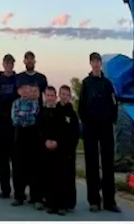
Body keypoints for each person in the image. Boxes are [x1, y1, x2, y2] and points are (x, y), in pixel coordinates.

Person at [78, 52, 120, 214]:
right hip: (90, 128)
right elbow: (81, 106)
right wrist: (87, 121)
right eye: (93, 61)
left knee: (108, 165)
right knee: (92, 164)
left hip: (105, 128)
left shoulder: (107, 84)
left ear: (101, 63)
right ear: (90, 63)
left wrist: (110, 119)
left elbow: (114, 104)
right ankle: (94, 200)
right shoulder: (86, 84)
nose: (96, 64)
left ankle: (110, 201)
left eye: (98, 61)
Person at [39, 86, 71, 215]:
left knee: (60, 177)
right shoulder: (41, 112)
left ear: (55, 97)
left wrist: (57, 142)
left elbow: (63, 130)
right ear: (45, 96)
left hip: (59, 149)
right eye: (48, 95)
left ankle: (61, 205)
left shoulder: (60, 112)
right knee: (48, 177)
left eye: (52, 95)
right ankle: (51, 204)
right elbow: (39, 130)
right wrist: (45, 141)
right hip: (46, 149)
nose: (50, 98)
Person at [10, 83, 43, 208]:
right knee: (18, 168)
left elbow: (33, 118)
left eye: (27, 90)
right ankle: (19, 196)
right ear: (19, 91)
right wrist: (24, 117)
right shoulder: (15, 103)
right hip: (19, 136)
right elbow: (14, 119)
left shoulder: (35, 103)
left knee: (33, 167)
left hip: (32, 137)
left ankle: (34, 196)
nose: (25, 92)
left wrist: (22, 115)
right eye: (22, 90)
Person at [0, 54, 20, 199]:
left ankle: (18, 190)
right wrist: (13, 96)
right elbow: (0, 98)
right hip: (2, 122)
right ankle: (5, 189)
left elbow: (19, 97)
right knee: (3, 158)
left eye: (11, 63)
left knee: (15, 158)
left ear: (13, 64)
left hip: (14, 123)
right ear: (3, 64)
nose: (9, 65)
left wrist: (12, 97)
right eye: (7, 63)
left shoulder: (18, 79)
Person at [55, 85, 81, 213]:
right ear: (59, 95)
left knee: (69, 177)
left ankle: (69, 203)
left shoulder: (72, 113)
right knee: (58, 177)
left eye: (66, 94)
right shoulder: (55, 110)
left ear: (69, 97)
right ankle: (58, 204)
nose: (64, 96)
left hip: (69, 151)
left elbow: (76, 132)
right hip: (56, 150)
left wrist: (71, 148)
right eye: (62, 94)